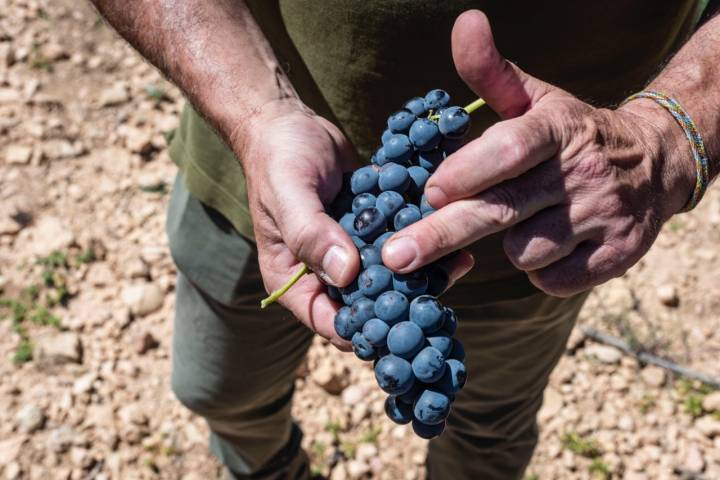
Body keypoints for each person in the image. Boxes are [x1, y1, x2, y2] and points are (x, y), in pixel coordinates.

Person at [91, 1, 720, 479]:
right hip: (264, 178)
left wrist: (668, 135)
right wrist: (255, 115)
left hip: (549, 224)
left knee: (484, 440)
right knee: (218, 391)